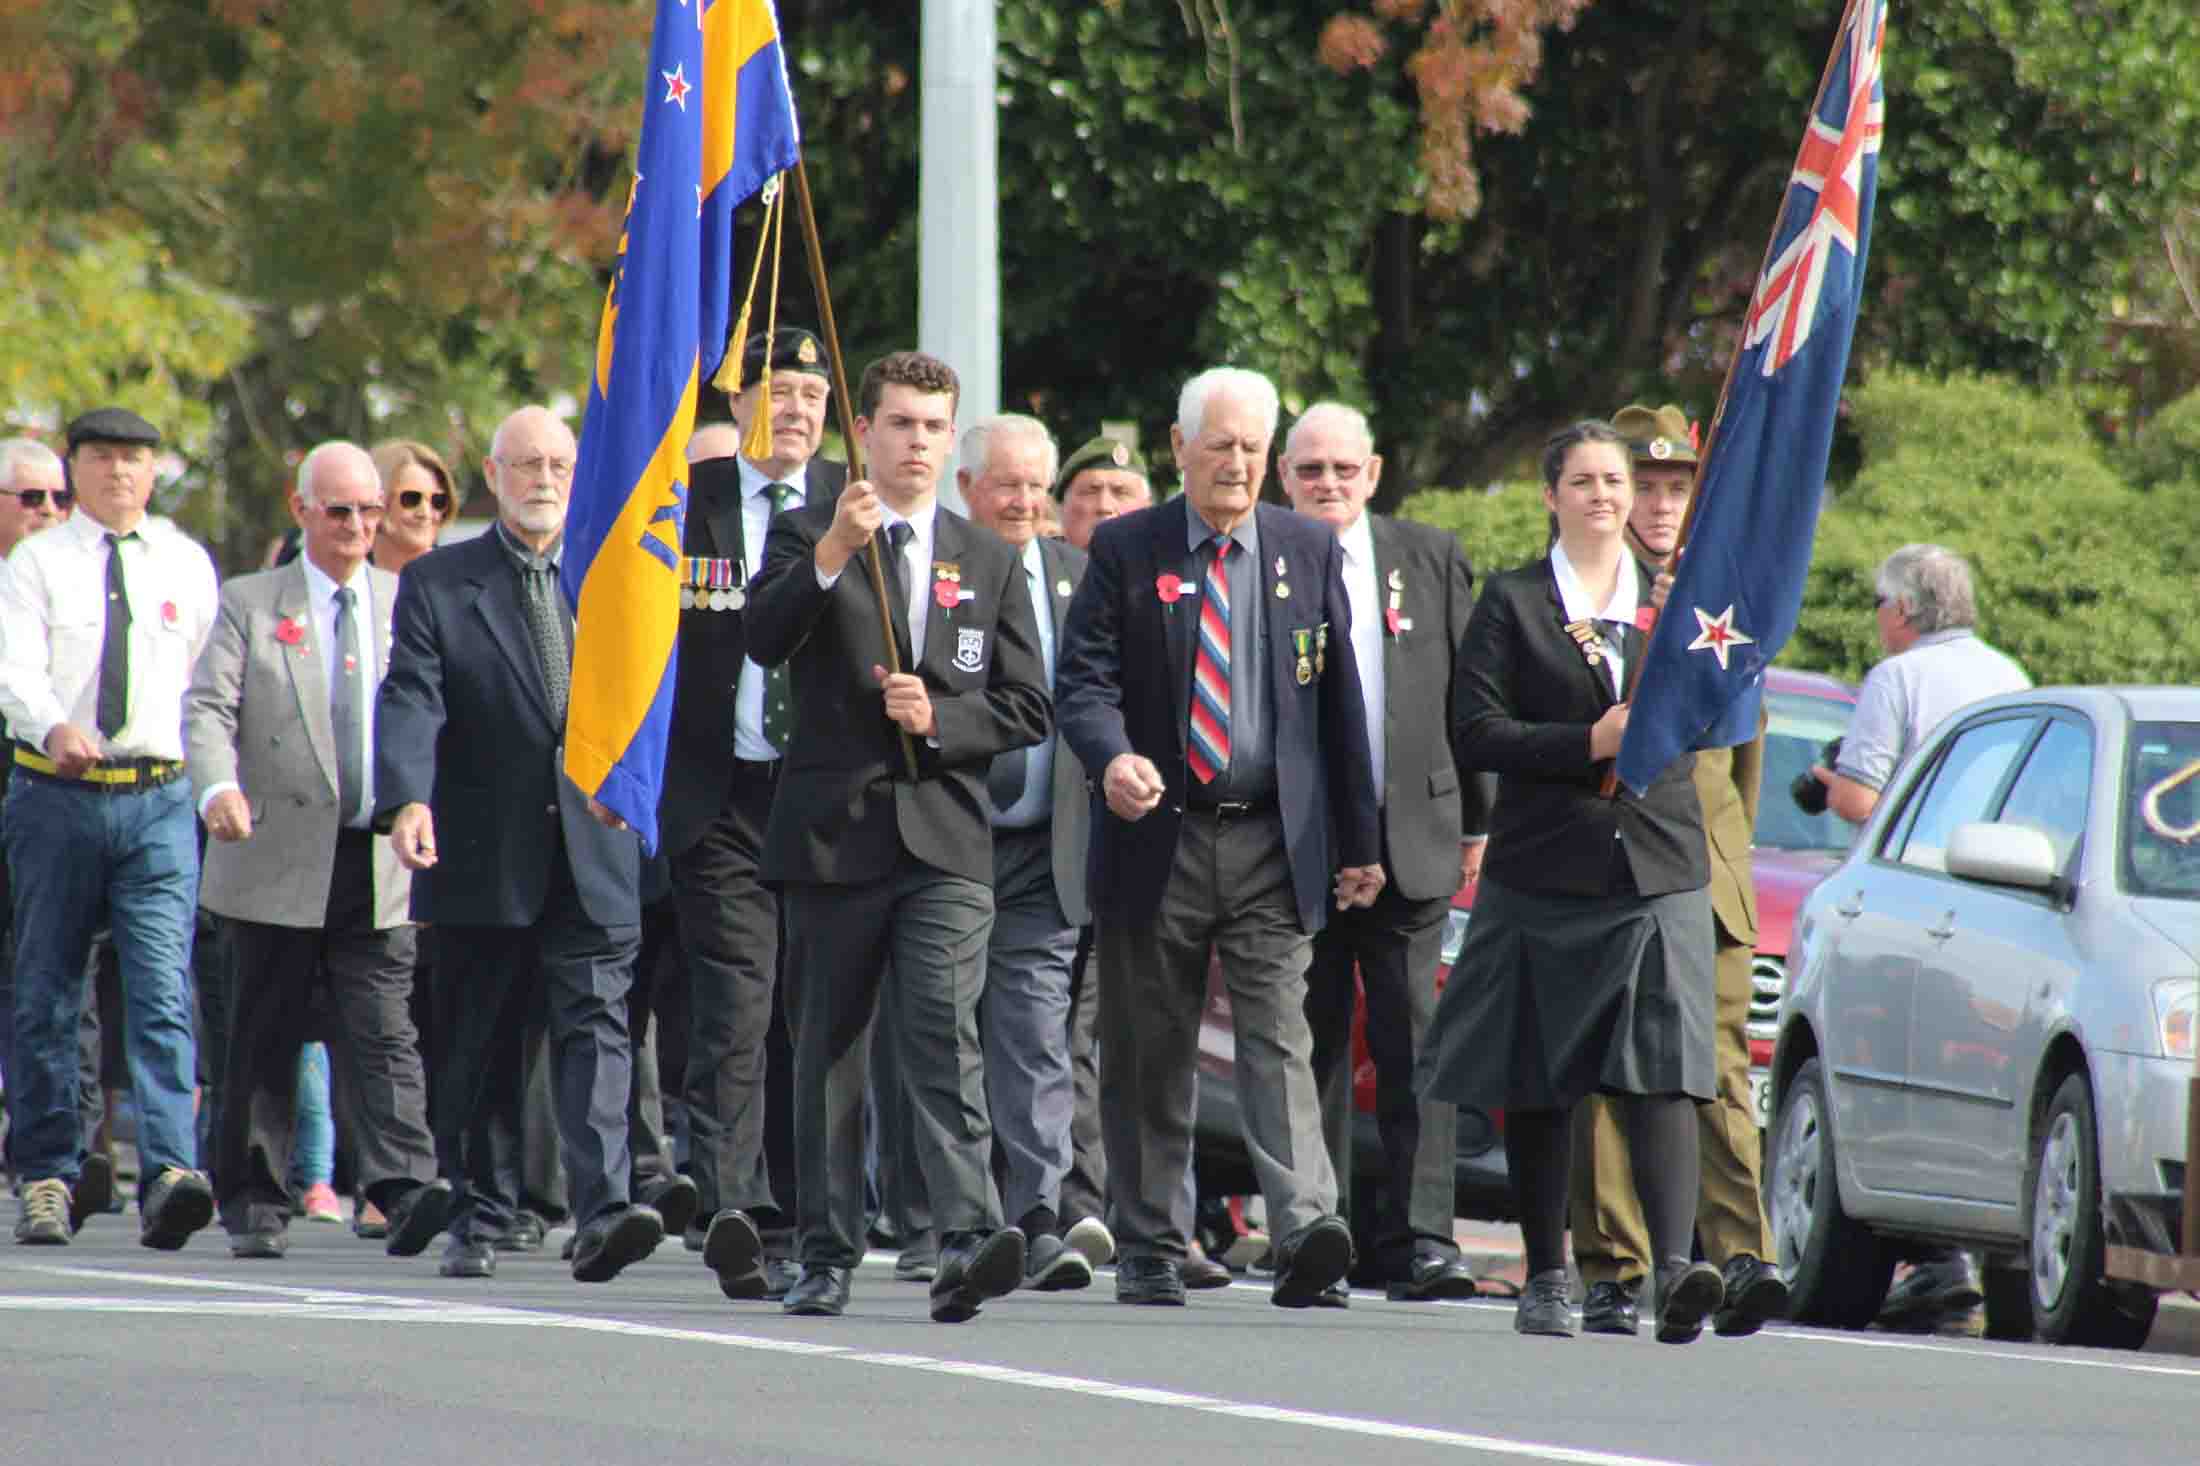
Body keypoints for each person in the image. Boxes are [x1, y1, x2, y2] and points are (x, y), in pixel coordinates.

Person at [1055, 365, 1384, 1310]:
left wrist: (1358, 840)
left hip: (1271, 842)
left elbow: (1340, 713)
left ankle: (1307, 1229)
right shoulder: (1126, 549)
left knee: (1279, 1037)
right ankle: (1152, 1237)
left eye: (1250, 449)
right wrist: (1112, 758)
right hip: (1156, 831)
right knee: (1149, 1044)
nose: (1235, 465)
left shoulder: (1306, 551)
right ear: (1178, 450)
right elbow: (1084, 684)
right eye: (1219, 447)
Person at [745, 350, 1050, 1322]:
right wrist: (833, 548)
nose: (917, 441)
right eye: (900, 424)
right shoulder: (807, 530)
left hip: (945, 839)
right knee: (827, 1049)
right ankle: (825, 1249)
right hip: (834, 835)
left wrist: (945, 720)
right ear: (863, 434)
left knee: (939, 1029)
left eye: (933, 426)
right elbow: (761, 635)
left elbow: (1028, 703)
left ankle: (965, 1233)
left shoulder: (990, 556)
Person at [1416, 419, 1726, 1343]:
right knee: (1541, 1076)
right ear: (1552, 495)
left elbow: (1721, 714)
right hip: (1546, 864)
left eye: (1615, 480)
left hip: (1658, 860)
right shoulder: (1512, 601)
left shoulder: (1676, 603)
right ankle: (1547, 1273)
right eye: (1583, 480)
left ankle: (1674, 1268)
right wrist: (1583, 743)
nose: (1603, 494)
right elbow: (1474, 733)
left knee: (1664, 1068)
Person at [375, 404, 661, 1284]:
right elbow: (413, 697)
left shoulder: (620, 579)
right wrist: (408, 800)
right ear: (494, 477)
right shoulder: (440, 581)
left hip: (596, 844)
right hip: (484, 850)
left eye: (558, 467)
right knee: (479, 1042)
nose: (544, 481)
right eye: (525, 465)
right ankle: (484, 1212)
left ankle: (603, 1209)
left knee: (597, 1031)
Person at [184, 439, 449, 1261]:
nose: (359, 526)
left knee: (383, 1033)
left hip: (375, 856)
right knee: (263, 1037)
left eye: (373, 510)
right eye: (340, 510)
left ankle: (404, 1190)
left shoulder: (408, 601)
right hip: (271, 853)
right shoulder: (252, 602)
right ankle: (258, 1202)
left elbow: (433, 714)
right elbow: (206, 710)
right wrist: (217, 787)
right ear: (301, 510)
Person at [1563, 403, 1788, 1338]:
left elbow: (1743, 763)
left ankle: (1742, 1256)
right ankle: (1618, 1266)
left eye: (1675, 488)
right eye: (1642, 485)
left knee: (1717, 1069)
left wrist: (1724, 862)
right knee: (1611, 1076)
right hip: (1612, 856)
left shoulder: (1721, 600)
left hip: (1706, 865)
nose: (1659, 505)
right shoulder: (1587, 592)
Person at [1278, 402, 1489, 1305]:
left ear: (1374, 472)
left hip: (1416, 837)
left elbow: (1470, 695)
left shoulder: (1428, 556)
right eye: (1310, 470)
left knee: (1417, 1044)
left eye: (1343, 469)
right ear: (1286, 477)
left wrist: (1479, 821)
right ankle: (1316, 1234)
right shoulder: (1265, 557)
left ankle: (1421, 1239)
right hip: (1297, 842)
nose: (1328, 484)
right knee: (1309, 1040)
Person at [0, 407, 217, 1249]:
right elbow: (14, 667)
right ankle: (50, 1171)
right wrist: (53, 725)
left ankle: (169, 1170)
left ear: (155, 472)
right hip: (57, 794)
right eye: (101, 458)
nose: (118, 472)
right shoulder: (37, 562)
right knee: (49, 987)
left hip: (155, 796)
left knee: (163, 987)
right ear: (75, 468)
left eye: (133, 459)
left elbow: (200, 680)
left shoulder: (184, 562)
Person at [660, 329, 846, 1302]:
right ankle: (741, 1210)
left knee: (803, 1016)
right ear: (739, 404)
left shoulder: (849, 510)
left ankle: (810, 1210)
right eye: (779, 390)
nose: (799, 410)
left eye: (814, 393)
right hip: (717, 789)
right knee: (738, 1001)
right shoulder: (690, 506)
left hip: (819, 798)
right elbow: (639, 642)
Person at [1810, 541, 2030, 1335]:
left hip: (1917, 901)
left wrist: (1824, 779)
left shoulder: (1895, 679)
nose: (1875, 620)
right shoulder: (2011, 675)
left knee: (1884, 1072)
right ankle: (1965, 1259)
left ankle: (1933, 1262)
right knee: (1969, 1080)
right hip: (2009, 905)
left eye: (1878, 604)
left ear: (1902, 610)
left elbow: (1865, 802)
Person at [956, 414, 1097, 1291]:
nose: (1024, 502)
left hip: (1053, 847)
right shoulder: (932, 570)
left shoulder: (1083, 578)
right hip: (952, 839)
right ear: (968, 488)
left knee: (1035, 1034)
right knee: (944, 1033)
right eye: (1006, 484)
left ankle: (1036, 1216)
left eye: (1037, 486)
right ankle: (956, 1210)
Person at [1046, 435, 1154, 1261]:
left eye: (1124, 490)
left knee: (1141, 1031)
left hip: (1147, 842)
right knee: (1062, 1030)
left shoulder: (1170, 584)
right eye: (1090, 491)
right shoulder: (1032, 576)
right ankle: (1078, 1201)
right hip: (1051, 844)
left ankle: (1151, 1211)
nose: (1107, 506)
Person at [0, 436, 71, 1180]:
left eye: (58, 498)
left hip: (50, 809)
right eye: (30, 498)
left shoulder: (79, 588)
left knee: (49, 982)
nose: (48, 512)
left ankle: (58, 1152)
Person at [368, 439, 459, 576]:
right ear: (377, 503)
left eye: (437, 501)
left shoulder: (462, 587)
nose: (425, 513)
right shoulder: (348, 588)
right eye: (411, 499)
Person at [1054, 436, 1152, 554]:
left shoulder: (1171, 566)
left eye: (1121, 493)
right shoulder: (1037, 569)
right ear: (1061, 508)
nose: (1104, 506)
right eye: (1090, 492)